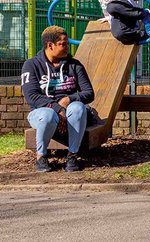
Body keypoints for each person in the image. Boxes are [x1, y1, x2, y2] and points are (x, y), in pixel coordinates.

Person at [21, 26, 95, 172]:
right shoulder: (31, 65)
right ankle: (41, 157)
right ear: (50, 45)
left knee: (78, 107)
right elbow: (32, 97)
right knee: (48, 115)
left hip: (70, 114)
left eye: (67, 43)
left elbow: (89, 93)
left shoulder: (75, 65)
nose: (67, 47)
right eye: (63, 44)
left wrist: (69, 99)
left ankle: (72, 156)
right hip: (43, 113)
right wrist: (58, 108)